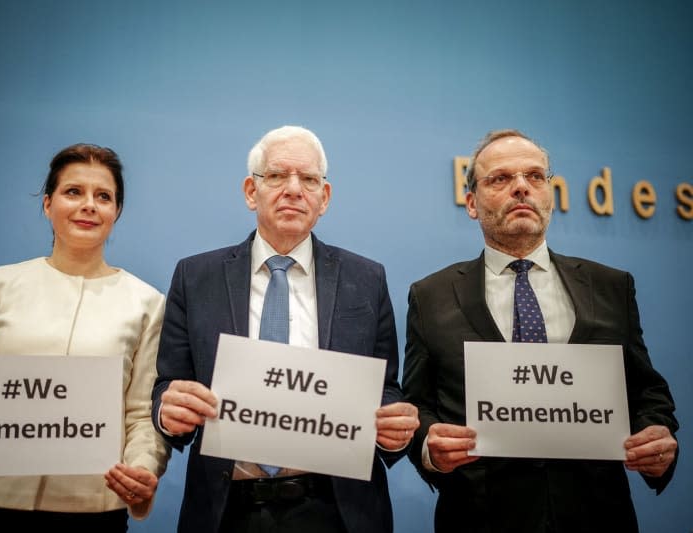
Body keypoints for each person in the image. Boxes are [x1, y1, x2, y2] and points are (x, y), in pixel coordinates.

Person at [402, 129, 679, 533]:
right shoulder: (431, 296)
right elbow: (416, 404)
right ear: (471, 204)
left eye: (534, 177)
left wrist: (657, 434)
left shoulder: (610, 286)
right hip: (479, 516)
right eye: (500, 179)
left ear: (550, 193)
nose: (521, 189)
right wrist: (428, 445)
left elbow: (646, 391)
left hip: (598, 514)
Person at [152, 125, 419, 533]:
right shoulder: (195, 276)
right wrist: (167, 412)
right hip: (226, 511)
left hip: (337, 509)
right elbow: (169, 384)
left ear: (324, 198)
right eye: (276, 176)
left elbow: (386, 387)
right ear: (250, 191)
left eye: (309, 179)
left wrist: (391, 429)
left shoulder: (366, 278)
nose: (294, 189)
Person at [0, 143, 169, 531]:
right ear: (47, 204)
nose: (89, 205)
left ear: (116, 212)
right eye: (73, 191)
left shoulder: (148, 303)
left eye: (103, 196)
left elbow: (140, 414)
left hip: (89, 514)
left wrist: (141, 469)